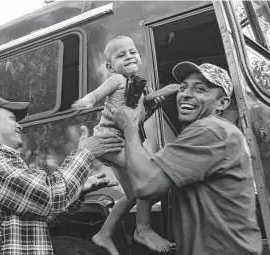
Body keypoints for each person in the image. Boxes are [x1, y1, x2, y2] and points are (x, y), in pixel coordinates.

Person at [104, 61, 262, 255]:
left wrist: (129, 126)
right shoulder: (217, 131)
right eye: (183, 87)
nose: (186, 94)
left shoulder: (211, 130)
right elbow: (156, 185)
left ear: (222, 103)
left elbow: (145, 184)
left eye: (200, 89)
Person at [0, 92, 124, 255]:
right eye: (12, 118)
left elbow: (40, 216)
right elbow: (49, 196)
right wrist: (85, 153)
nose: (19, 126)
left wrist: (78, 192)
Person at [72, 35, 174, 254]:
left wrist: (157, 101)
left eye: (132, 52)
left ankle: (104, 234)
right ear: (111, 66)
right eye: (121, 55)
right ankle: (143, 229)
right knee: (145, 176)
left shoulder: (141, 87)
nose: (129, 56)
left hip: (122, 142)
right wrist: (87, 101)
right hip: (111, 140)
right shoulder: (117, 80)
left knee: (131, 195)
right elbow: (97, 94)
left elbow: (135, 118)